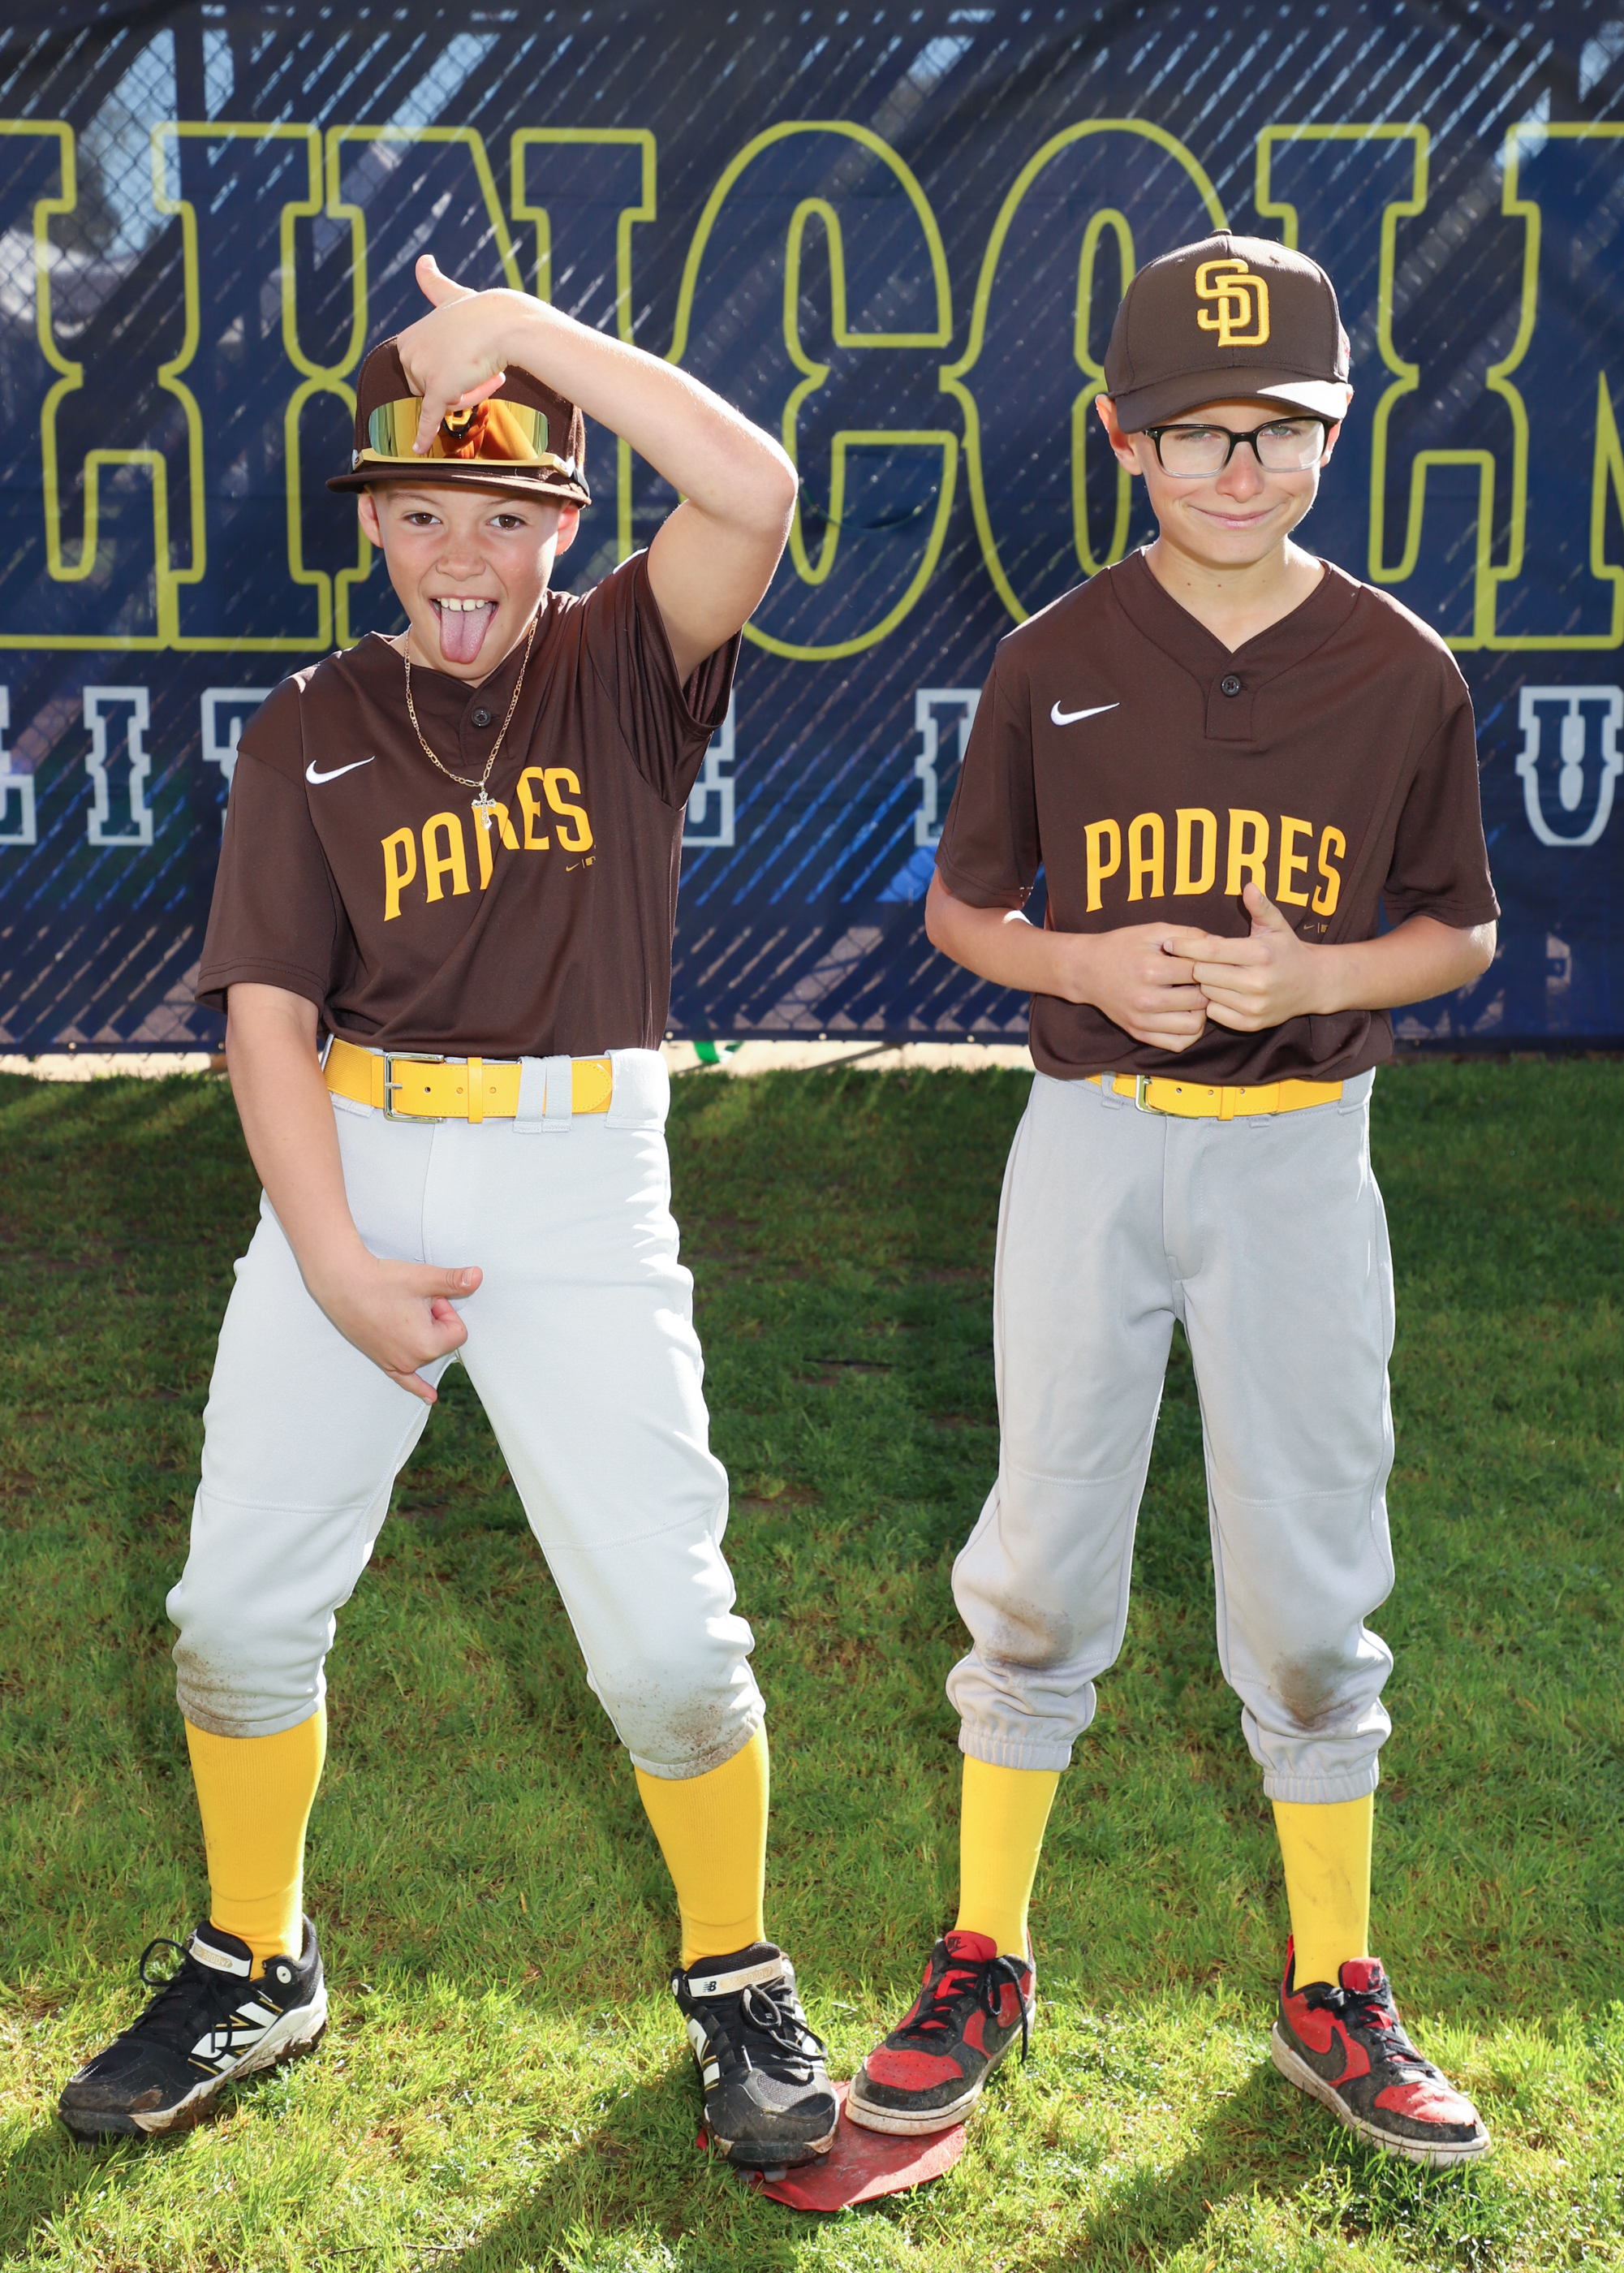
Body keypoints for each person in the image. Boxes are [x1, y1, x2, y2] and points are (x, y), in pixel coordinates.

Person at [57, 253, 837, 2172]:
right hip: (360, 1154)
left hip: (577, 1174)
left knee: (669, 1645)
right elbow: (265, 1017)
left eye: (503, 510)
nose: (459, 553)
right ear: (373, 526)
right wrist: (331, 1257)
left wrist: (528, 341)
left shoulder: (621, 662)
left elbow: (753, 490)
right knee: (236, 1612)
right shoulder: (309, 721)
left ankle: (734, 1972)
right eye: (420, 511)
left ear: (563, 523)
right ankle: (253, 1956)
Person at [846, 234, 1497, 2168]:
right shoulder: (1052, 657)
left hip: (1296, 1146)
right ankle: (983, 1950)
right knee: (1041, 1550)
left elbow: (1456, 928)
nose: (1236, 468)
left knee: (1307, 1572)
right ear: (1118, 435)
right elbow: (964, 906)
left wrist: (1317, 974)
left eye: (1276, 429)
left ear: (1333, 431)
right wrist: (1069, 958)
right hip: (1092, 1135)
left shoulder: (1398, 668)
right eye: (1194, 431)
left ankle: (1332, 1980)